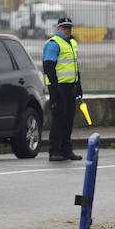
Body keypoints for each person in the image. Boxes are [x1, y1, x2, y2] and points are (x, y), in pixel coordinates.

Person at [43, 16, 83, 161]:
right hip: (59, 88)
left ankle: (66, 151)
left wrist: (78, 86)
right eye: (64, 27)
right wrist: (54, 89)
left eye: (69, 27)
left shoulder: (72, 43)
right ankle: (54, 152)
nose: (67, 30)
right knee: (59, 120)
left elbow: (74, 66)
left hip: (70, 87)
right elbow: (48, 67)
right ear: (58, 28)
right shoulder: (53, 44)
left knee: (68, 120)